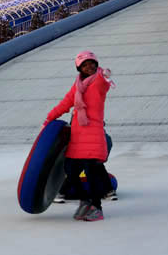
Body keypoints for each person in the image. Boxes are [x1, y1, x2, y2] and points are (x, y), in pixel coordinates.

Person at [43, 51, 115, 221]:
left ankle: (97, 208)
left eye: (92, 63)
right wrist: (50, 117)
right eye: (85, 64)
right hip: (77, 137)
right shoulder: (77, 86)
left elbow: (104, 84)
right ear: (79, 68)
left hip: (93, 134)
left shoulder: (99, 80)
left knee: (91, 172)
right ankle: (85, 201)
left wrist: (104, 76)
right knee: (70, 170)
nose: (90, 67)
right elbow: (66, 102)